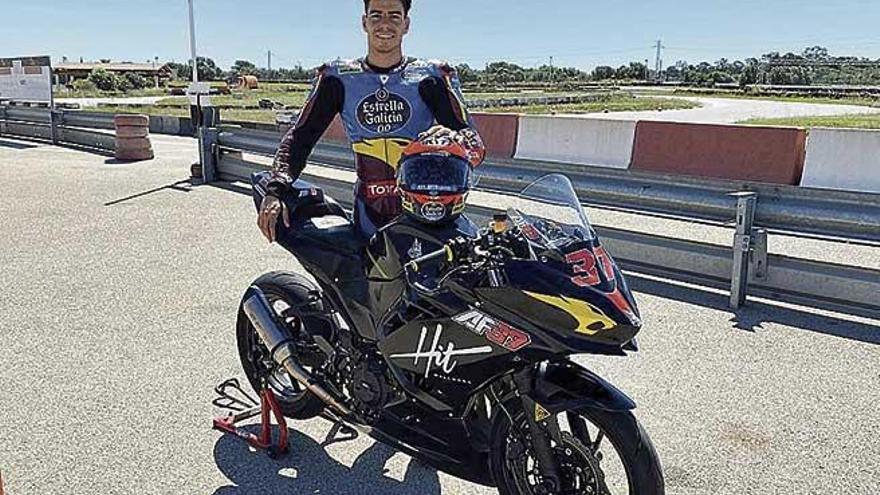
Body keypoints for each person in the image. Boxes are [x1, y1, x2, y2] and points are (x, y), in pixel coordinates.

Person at [257, 0, 486, 243]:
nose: (385, 24)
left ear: (406, 24)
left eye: (394, 16)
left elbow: (474, 144)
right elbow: (301, 137)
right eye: (376, 16)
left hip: (426, 208)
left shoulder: (432, 75)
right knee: (366, 279)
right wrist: (276, 190)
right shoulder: (338, 77)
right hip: (369, 210)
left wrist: (452, 141)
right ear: (364, 22)